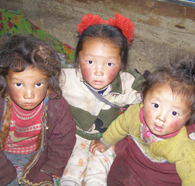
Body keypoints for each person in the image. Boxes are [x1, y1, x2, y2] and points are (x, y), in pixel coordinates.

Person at [89, 56, 195, 186]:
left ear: (188, 117)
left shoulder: (185, 146)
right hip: (138, 157)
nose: (161, 117)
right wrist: (105, 141)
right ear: (144, 98)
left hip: (166, 174)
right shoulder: (135, 113)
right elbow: (120, 126)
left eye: (174, 113)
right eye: (156, 105)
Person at [59, 13, 145, 186]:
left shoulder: (128, 83)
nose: (99, 71)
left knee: (98, 172)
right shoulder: (66, 79)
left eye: (109, 64)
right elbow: (36, 80)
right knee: (72, 168)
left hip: (109, 138)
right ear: (78, 60)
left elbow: (157, 95)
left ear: (121, 64)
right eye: (90, 61)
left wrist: (194, 107)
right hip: (74, 136)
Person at [0, 34, 76, 186]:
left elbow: (64, 140)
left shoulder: (56, 105)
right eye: (19, 84)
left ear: (49, 81)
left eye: (38, 84)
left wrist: (52, 167)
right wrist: (0, 169)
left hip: (38, 157)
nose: (29, 95)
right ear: (4, 80)